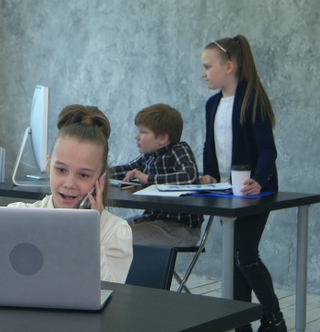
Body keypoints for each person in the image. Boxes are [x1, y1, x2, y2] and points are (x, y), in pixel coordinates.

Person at [200, 35, 285, 332]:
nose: (204, 73)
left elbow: (267, 150)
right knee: (236, 258)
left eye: (208, 66)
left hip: (257, 191)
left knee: (244, 255)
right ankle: (242, 325)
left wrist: (258, 181)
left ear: (230, 66)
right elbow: (209, 147)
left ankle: (273, 317)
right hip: (227, 192)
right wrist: (208, 174)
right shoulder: (212, 104)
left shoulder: (252, 99)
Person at [8, 104, 133, 284]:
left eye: (83, 175)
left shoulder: (114, 232)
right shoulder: (18, 216)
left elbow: (106, 291)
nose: (69, 184)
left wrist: (88, 231)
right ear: (49, 165)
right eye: (61, 169)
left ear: (101, 179)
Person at [110, 104, 203, 247]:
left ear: (162, 138)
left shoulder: (179, 150)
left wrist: (148, 179)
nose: (137, 137)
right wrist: (98, 173)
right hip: (153, 220)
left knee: (119, 240)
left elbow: (189, 176)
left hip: (181, 228)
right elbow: (128, 168)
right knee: (107, 235)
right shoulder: (149, 155)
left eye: (142, 132)